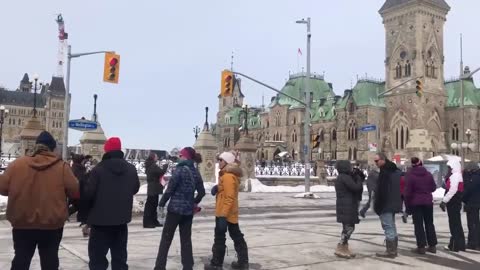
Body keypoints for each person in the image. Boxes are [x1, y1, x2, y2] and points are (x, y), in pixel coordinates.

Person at [0, 131, 79, 270]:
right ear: (53, 148)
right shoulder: (62, 167)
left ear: (36, 146)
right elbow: (74, 191)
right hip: (52, 224)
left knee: (21, 259)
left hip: (22, 223)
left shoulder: (17, 165)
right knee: (50, 260)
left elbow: (2, 188)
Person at [83, 137, 140, 269]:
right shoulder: (131, 169)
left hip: (99, 222)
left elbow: (89, 194)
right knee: (120, 258)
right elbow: (135, 188)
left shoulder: (98, 169)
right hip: (121, 221)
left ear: (106, 150)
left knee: (97, 260)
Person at [154, 147, 205, 270]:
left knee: (166, 239)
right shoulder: (195, 172)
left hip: (175, 211)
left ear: (185, 157)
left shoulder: (179, 170)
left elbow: (169, 190)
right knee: (186, 240)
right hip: (188, 212)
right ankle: (188, 266)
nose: (179, 157)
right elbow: (202, 192)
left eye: (180, 155)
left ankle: (160, 267)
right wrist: (193, 202)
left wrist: (161, 203)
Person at [204, 152, 249, 270]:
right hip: (228, 212)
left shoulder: (228, 176)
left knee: (220, 238)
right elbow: (228, 191)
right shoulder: (226, 175)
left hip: (224, 213)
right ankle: (243, 262)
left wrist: (223, 215)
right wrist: (218, 188)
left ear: (227, 162)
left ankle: (216, 264)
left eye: (221, 160)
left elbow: (230, 197)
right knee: (236, 235)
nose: (218, 162)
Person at [404, 157, 438, 254]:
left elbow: (408, 193)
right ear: (421, 164)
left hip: (416, 203)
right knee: (429, 223)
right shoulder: (428, 174)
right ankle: (432, 245)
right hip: (428, 202)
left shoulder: (410, 176)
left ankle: (421, 247)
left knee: (418, 225)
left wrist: (407, 206)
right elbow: (433, 188)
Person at [373, 153, 402, 258]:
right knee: (392, 226)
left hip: (386, 203)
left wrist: (378, 205)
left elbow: (382, 191)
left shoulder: (385, 173)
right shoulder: (395, 171)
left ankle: (391, 251)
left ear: (383, 160)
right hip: (394, 202)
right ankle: (393, 248)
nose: (375, 163)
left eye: (377, 161)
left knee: (388, 226)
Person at [333, 160, 363, 259]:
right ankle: (341, 246)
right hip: (347, 205)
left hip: (344, 205)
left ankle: (344, 247)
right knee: (349, 227)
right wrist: (358, 179)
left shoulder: (341, 177)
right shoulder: (344, 177)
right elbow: (356, 188)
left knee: (346, 227)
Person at [440, 157, 466, 252]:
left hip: (453, 202)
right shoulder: (457, 175)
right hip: (455, 201)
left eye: (449, 167)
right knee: (457, 223)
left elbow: (452, 190)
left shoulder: (455, 176)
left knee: (454, 223)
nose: (448, 169)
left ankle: (455, 245)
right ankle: (459, 244)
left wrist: (444, 201)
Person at [70, 153, 93, 237]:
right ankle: (86, 228)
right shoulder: (80, 169)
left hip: (76, 194)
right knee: (88, 211)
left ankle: (86, 227)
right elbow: (82, 181)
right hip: (80, 194)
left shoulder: (74, 168)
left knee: (76, 209)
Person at [143, 152, 168, 228]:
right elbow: (161, 172)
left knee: (153, 206)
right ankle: (148, 222)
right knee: (151, 206)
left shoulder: (150, 165)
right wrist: (165, 166)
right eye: (156, 157)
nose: (157, 158)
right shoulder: (153, 165)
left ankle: (153, 221)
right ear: (153, 157)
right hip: (153, 189)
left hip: (153, 188)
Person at [462, 163, 480, 250]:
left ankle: (473, 243)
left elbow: (468, 190)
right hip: (476, 202)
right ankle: (476, 242)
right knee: (476, 223)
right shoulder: (477, 176)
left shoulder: (474, 178)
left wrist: (463, 199)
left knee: (472, 223)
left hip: (472, 203)